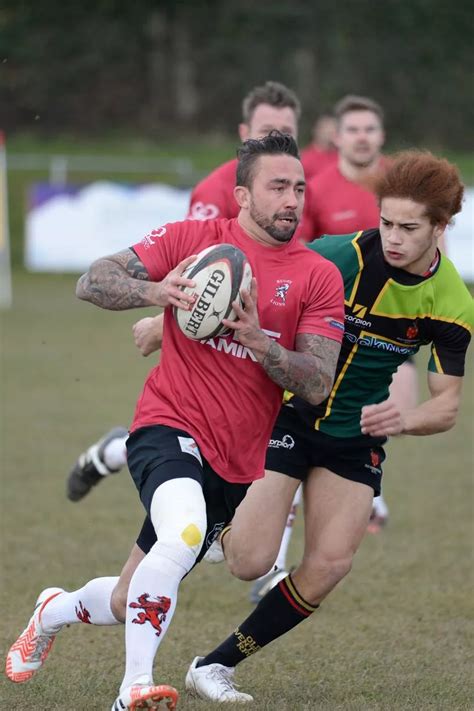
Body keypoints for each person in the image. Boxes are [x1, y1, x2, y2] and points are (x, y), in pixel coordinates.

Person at [6, 132, 345, 711]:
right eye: (277, 187)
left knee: (124, 599)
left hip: (236, 463)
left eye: (298, 188)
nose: (292, 199)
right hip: (167, 425)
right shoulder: (193, 241)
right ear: (242, 195)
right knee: (184, 530)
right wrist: (156, 290)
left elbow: (316, 383)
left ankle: (52, 609)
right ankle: (133, 688)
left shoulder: (317, 276)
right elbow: (93, 280)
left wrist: (260, 343)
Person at [182, 149, 473, 703]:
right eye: (386, 221)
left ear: (440, 226)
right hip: (286, 414)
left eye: (409, 227)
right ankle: (216, 505)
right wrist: (163, 317)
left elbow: (447, 406)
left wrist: (406, 419)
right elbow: (250, 280)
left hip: (356, 438)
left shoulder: (453, 303)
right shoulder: (338, 257)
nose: (392, 236)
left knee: (330, 563)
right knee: (249, 562)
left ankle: (214, 665)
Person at [300, 112, 338, 181]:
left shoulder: (342, 158)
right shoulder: (304, 158)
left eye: (334, 128)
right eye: (326, 127)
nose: (330, 131)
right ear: (316, 130)